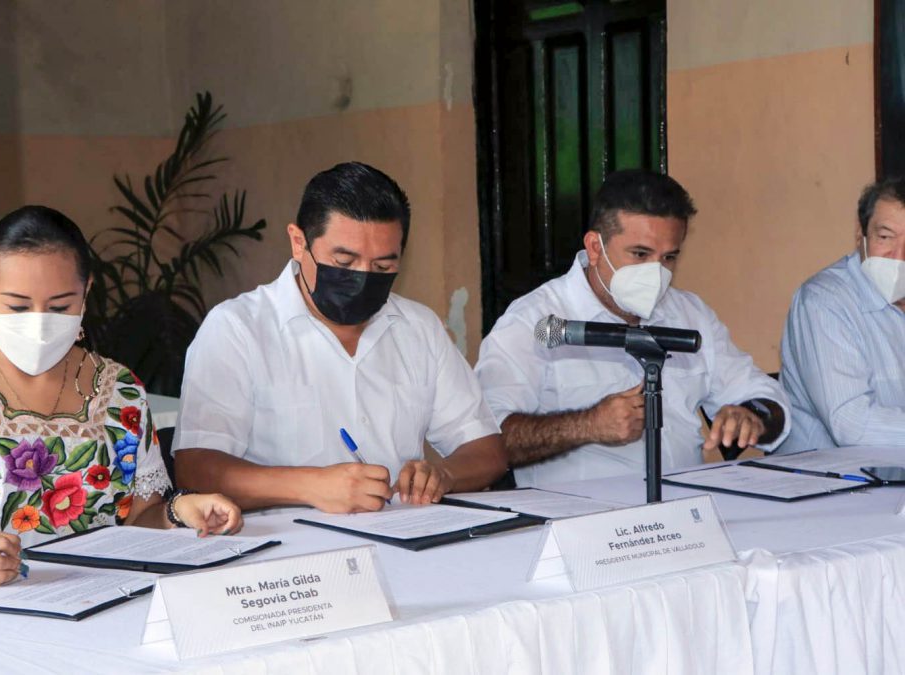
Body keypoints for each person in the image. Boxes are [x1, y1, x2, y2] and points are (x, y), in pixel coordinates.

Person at [0, 206, 242, 587]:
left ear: (86, 293)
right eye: (17, 306)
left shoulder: (121, 390)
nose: (39, 323)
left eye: (60, 307)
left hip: (94, 595)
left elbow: (140, 521)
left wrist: (178, 510)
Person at [173, 162, 506, 512]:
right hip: (284, 541)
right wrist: (309, 486)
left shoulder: (419, 328)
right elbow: (196, 469)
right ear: (299, 243)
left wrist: (443, 474)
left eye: (382, 267)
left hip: (402, 532)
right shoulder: (237, 329)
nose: (362, 278)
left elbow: (487, 450)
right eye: (344, 262)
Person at [475, 170, 789, 486]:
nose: (656, 272)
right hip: (583, 511)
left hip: (687, 504)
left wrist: (753, 415)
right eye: (640, 254)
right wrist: (587, 426)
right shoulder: (534, 321)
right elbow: (486, 441)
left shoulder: (690, 314)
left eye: (668, 257)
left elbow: (766, 399)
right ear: (595, 247)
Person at [778, 177, 905, 452]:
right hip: (825, 473)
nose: (899, 257)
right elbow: (851, 424)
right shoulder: (824, 301)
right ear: (861, 234)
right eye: (885, 237)